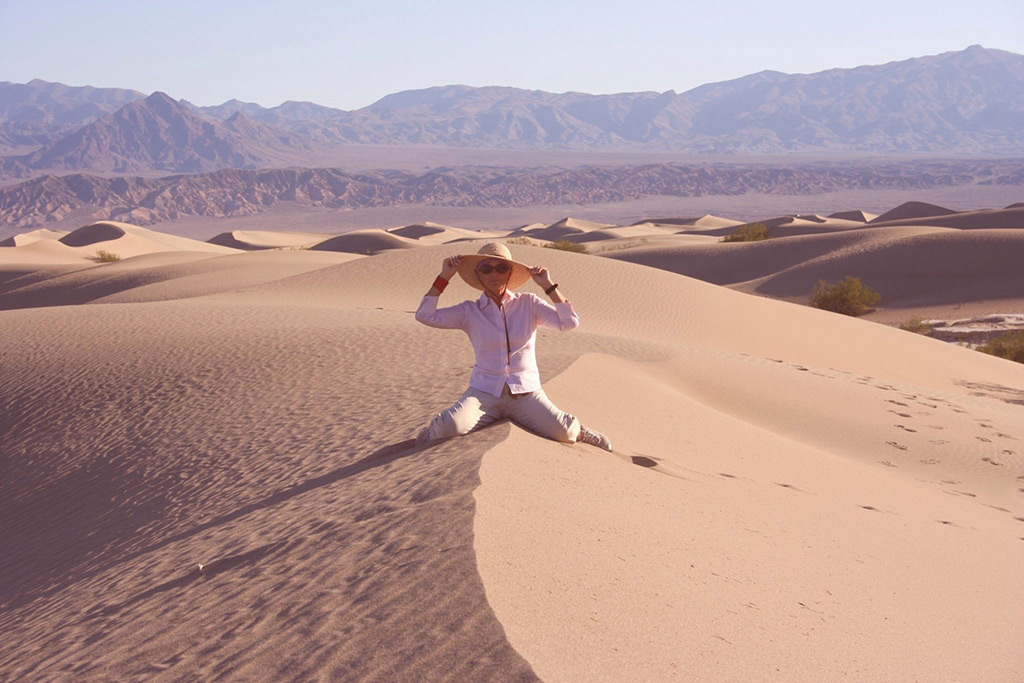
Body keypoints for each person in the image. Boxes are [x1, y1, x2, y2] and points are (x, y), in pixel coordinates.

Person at [414, 242, 612, 451]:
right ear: (478, 274)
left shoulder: (529, 303)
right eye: (486, 268)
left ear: (509, 272)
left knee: (565, 433)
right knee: (448, 426)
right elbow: (425, 316)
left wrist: (548, 285)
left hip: (526, 392)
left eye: (501, 268)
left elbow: (569, 323)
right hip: (484, 393)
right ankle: (434, 429)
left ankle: (579, 430)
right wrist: (444, 277)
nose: (494, 274)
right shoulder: (469, 311)